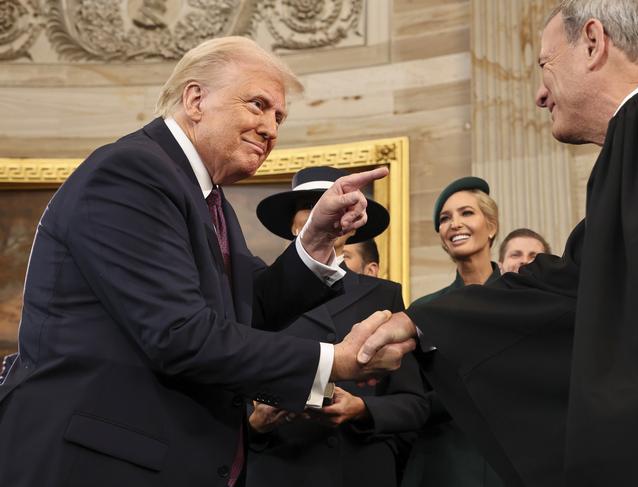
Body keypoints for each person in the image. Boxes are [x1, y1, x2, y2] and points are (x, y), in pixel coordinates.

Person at [0, 37, 414, 487]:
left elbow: (250, 308)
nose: (271, 129)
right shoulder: (131, 172)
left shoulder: (207, 197)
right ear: (195, 99)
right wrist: (334, 361)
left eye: (279, 117)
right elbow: (180, 334)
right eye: (258, 105)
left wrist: (315, 240)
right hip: (96, 463)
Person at [358, 1, 638, 485]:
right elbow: (579, 282)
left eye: (544, 66)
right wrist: (420, 321)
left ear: (594, 43)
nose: (539, 94)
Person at [247, 166, 428, 487]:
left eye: (332, 204)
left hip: (358, 469)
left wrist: (361, 409)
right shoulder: (257, 293)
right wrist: (256, 423)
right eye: (310, 207)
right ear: (292, 225)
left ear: (353, 223)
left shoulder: (384, 295)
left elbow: (413, 405)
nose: (323, 213)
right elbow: (230, 389)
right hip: (282, 467)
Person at [401, 176, 504, 487]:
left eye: (466, 213)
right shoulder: (425, 311)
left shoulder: (525, 301)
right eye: (445, 219)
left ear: (492, 226)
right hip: (445, 464)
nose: (454, 224)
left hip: (516, 461)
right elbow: (413, 397)